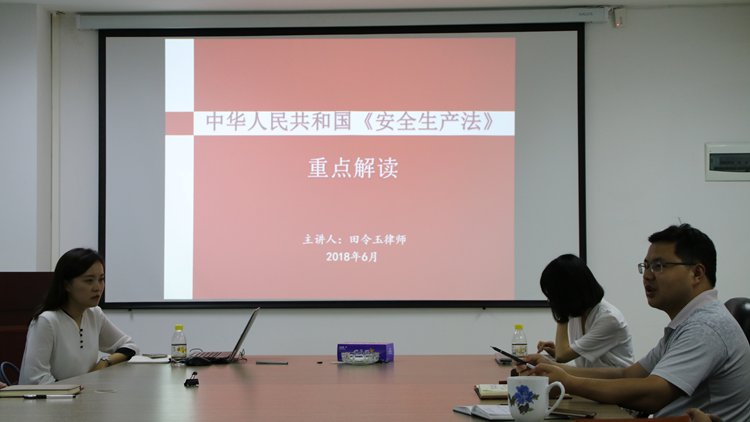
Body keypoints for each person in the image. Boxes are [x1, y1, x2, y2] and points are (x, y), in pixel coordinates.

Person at [517, 224, 750, 421]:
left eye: (659, 266)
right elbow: (628, 375)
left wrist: (567, 381)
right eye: (646, 266)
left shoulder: (706, 327)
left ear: (697, 274)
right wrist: (556, 370)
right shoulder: (687, 323)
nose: (647, 275)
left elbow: (652, 395)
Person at [19, 248, 139, 385]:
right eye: (89, 281)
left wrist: (104, 362)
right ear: (66, 285)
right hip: (54, 398)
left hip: (82, 395)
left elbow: (130, 346)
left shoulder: (94, 314)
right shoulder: (46, 322)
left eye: (101, 279)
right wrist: (76, 392)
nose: (98, 287)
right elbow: (36, 379)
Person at [536, 254, 634, 368]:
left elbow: (562, 356)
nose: (551, 301)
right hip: (594, 377)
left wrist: (561, 314)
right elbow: (567, 354)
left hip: (618, 379)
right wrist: (556, 350)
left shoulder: (609, 319)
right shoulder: (578, 313)